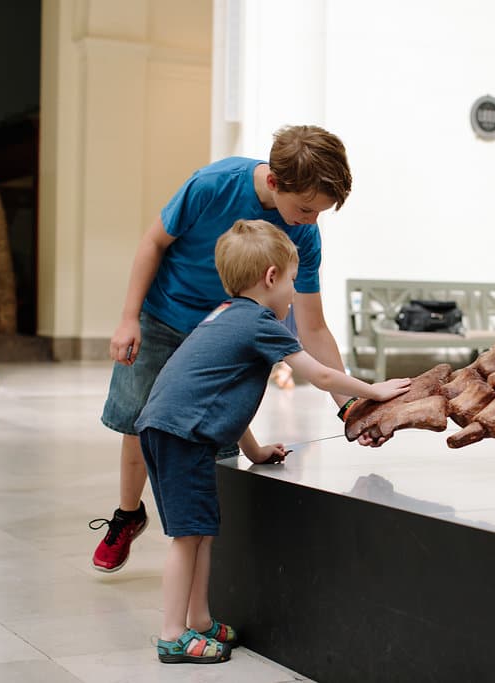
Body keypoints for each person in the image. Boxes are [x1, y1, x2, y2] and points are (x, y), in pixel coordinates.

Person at [136, 220, 410, 663]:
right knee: (188, 537)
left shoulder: (224, 314)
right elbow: (318, 374)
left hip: (171, 430)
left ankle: (200, 621)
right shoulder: (260, 323)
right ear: (270, 277)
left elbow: (217, 398)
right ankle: (172, 634)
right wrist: (374, 390)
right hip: (181, 436)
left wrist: (254, 450)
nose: (293, 293)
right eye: (292, 281)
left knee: (201, 532)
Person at [90, 125, 354, 573]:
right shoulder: (214, 184)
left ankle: (211, 553)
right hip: (164, 315)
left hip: (225, 334)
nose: (310, 220)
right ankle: (128, 513)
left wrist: (347, 407)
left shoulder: (304, 235)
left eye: (320, 213)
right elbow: (154, 242)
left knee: (214, 431)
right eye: (306, 208)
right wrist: (129, 317)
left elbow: (313, 326)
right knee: (137, 420)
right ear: (274, 182)